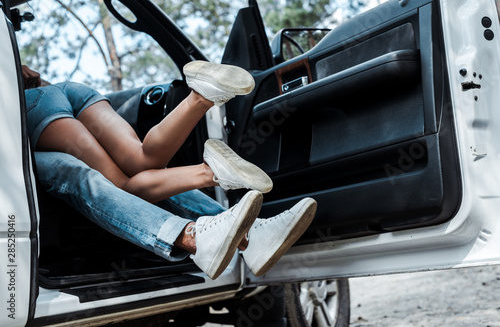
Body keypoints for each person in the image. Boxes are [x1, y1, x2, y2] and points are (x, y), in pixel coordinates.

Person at [23, 62, 317, 279]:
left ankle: (208, 175)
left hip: (26, 105)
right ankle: (200, 97)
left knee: (120, 187)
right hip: (61, 91)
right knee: (141, 159)